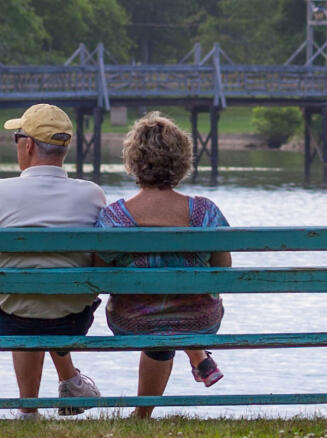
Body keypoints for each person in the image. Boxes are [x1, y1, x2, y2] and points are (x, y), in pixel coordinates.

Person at [0, 103, 113, 415]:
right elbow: (99, 270)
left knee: (20, 302)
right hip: (72, 319)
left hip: (6, 319)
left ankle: (29, 409)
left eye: (17, 138)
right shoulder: (92, 194)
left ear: (29, 145)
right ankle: (70, 382)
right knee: (47, 300)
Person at [94, 113, 232, 419]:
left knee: (158, 318)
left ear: (133, 160)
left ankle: (142, 415)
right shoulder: (205, 212)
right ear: (181, 160)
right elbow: (223, 270)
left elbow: (99, 275)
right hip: (199, 319)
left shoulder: (114, 217)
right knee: (171, 315)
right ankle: (194, 355)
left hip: (132, 320)